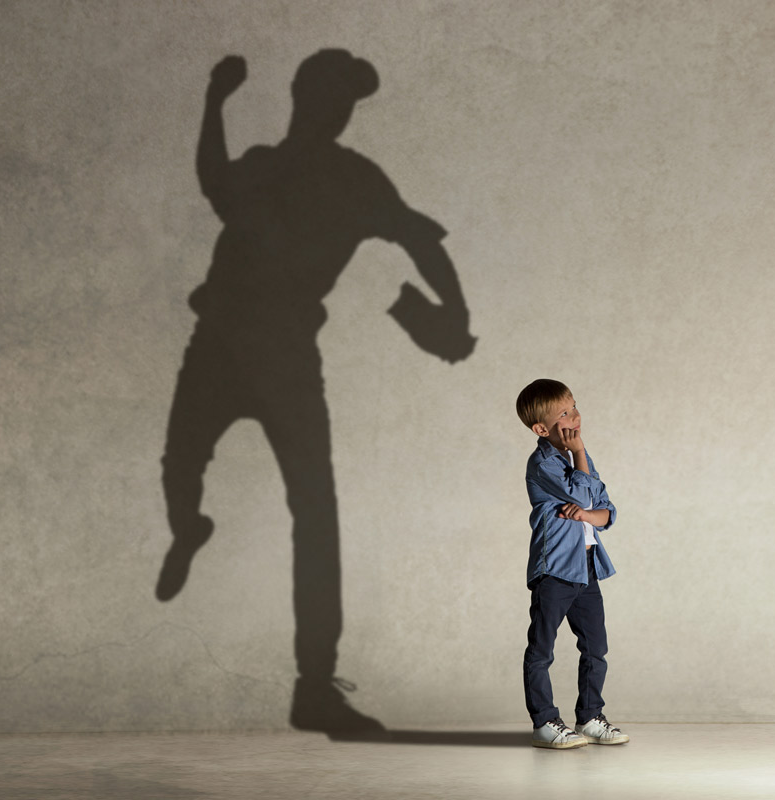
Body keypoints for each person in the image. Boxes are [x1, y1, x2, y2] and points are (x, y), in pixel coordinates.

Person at [156, 50, 473, 734]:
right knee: (180, 469)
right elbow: (213, 178)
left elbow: (420, 239)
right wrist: (214, 100)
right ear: (303, 95)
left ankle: (314, 686)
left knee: (316, 510)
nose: (339, 111)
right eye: (331, 95)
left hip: (285, 356)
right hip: (219, 344)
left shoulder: (356, 180)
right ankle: (189, 528)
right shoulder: (265, 165)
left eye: (348, 102)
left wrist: (456, 312)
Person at [516, 379, 629, 749]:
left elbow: (606, 509)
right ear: (541, 429)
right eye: (564, 413)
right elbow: (584, 492)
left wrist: (586, 514)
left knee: (596, 647)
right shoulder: (543, 463)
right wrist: (585, 497)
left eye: (575, 406)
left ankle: (591, 717)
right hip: (556, 570)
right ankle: (545, 721)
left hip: (587, 567)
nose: (575, 416)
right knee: (542, 649)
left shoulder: (576, 458)